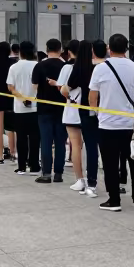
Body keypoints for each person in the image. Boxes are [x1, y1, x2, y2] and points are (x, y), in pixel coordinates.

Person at [88, 33, 134, 212]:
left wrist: (98, 113)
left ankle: (114, 200)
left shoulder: (100, 68)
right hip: (132, 124)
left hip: (108, 124)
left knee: (110, 164)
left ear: (108, 49)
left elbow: (92, 96)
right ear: (126, 48)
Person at [58, 40, 98, 197]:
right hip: (91, 112)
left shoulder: (74, 69)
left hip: (73, 111)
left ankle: (80, 179)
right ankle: (92, 180)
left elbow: (63, 90)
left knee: (76, 146)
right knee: (91, 146)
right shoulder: (95, 68)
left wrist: (71, 97)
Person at [33, 38, 68, 183]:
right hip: (62, 108)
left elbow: (34, 86)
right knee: (60, 141)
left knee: (46, 141)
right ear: (60, 50)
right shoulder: (65, 66)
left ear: (47, 49)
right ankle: (59, 173)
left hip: (44, 108)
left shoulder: (40, 66)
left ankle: (46, 173)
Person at [7, 40, 41, 176]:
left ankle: (21, 166)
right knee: (35, 137)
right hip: (36, 107)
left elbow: (10, 87)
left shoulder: (14, 67)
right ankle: (34, 165)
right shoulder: (38, 65)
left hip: (20, 108)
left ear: (20, 52)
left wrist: (22, 98)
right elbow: (39, 86)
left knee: (21, 137)